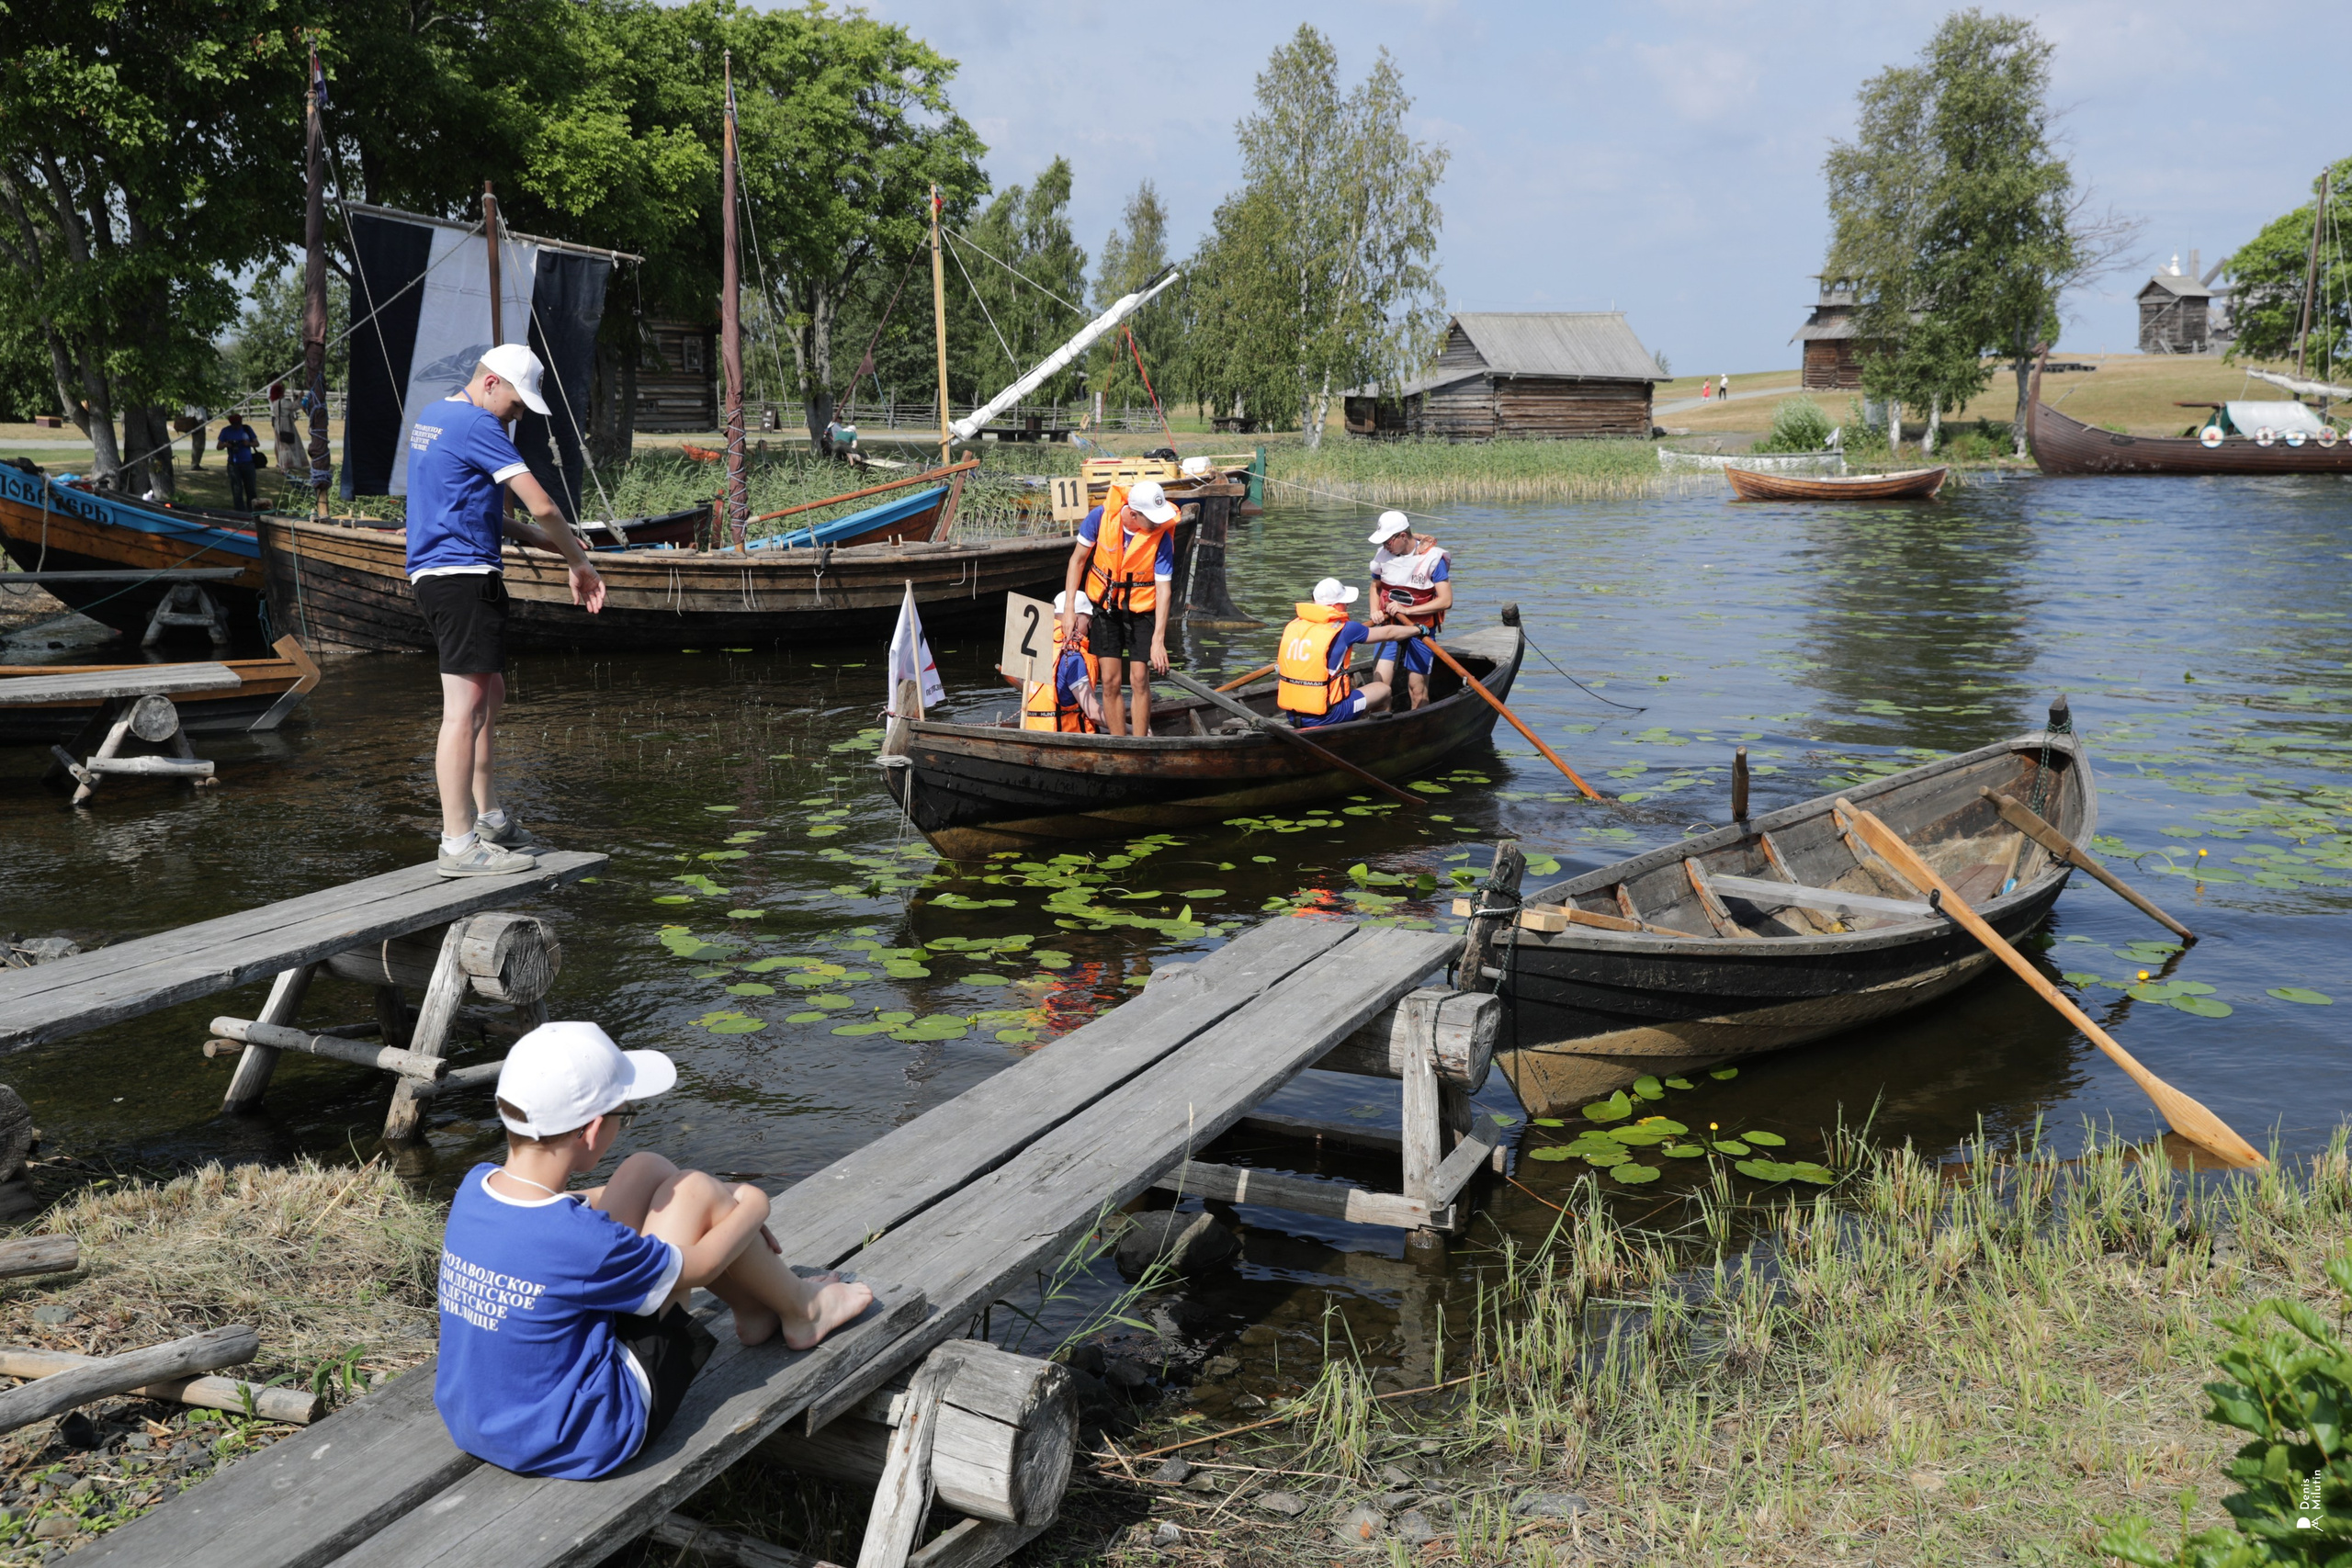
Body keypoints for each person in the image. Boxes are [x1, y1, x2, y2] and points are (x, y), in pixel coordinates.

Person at [435, 1021, 875, 1481]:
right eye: (626, 1114)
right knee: (697, 1190)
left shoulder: (475, 1189)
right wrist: (751, 1206)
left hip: (482, 1422)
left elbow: (571, 1211)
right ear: (592, 1130)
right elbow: (703, 1265)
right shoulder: (581, 1242)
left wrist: (727, 1207)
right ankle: (804, 1309)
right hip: (588, 1433)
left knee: (647, 1168)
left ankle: (755, 1311)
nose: (623, 1125)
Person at [407, 343, 606, 876]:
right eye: (517, 406)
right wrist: (579, 562)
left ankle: (489, 818)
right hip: (462, 579)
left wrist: (542, 544)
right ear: (491, 383)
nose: (517, 418)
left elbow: (469, 510)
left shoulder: (434, 417)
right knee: (464, 710)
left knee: (488, 696)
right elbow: (542, 503)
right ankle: (457, 844)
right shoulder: (478, 425)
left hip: (443, 576)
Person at [1059, 479, 1179, 737]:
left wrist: (1159, 640)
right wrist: (1069, 609)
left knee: (1138, 678)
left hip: (1142, 611)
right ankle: (1118, 742)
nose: (1159, 523)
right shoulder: (1100, 518)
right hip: (1106, 610)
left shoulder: (1162, 537)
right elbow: (1077, 561)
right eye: (1153, 518)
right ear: (1133, 514)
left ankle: (1139, 743)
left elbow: (1164, 590)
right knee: (1110, 680)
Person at [1276, 577, 1423, 729]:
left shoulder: (1295, 625)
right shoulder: (1346, 629)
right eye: (1345, 602)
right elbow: (1389, 633)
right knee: (1383, 690)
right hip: (1328, 715)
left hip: (1292, 714)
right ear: (1335, 605)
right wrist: (1418, 629)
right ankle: (1379, 736)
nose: (1347, 605)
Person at [1364, 512, 1453, 712]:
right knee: (1379, 690)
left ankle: (1421, 729)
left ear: (1402, 536)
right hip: (1389, 629)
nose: (1385, 546)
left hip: (1419, 630)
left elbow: (1446, 601)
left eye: (1388, 541)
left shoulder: (1433, 558)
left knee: (1417, 692)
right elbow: (1374, 587)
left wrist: (1408, 610)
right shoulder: (1382, 555)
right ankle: (1382, 732)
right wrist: (1373, 611)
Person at [1023, 589, 1102, 732]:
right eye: (1089, 620)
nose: (1091, 626)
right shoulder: (1073, 658)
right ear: (1075, 621)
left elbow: (1025, 686)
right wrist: (1128, 728)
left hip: (1034, 733)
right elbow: (1093, 713)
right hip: (1068, 741)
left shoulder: (1039, 649)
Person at [219, 412, 260, 510]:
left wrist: (248, 443)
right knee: (237, 489)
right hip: (233, 464)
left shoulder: (247, 429)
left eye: (238, 423)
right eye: (235, 424)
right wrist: (226, 445)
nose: (237, 426)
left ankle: (252, 509)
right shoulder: (225, 431)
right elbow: (218, 446)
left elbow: (257, 443)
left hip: (248, 463)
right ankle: (240, 510)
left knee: (251, 489)